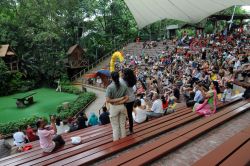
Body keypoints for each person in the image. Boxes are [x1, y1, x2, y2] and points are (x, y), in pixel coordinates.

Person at [106, 71, 129, 141]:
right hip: (122, 107)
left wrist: (117, 102)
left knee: (115, 127)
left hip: (114, 108)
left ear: (111, 78)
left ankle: (116, 144)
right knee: (122, 125)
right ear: (118, 77)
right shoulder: (124, 85)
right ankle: (123, 142)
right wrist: (120, 100)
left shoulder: (110, 87)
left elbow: (108, 100)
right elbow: (127, 98)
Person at [121, 68, 137, 134]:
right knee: (130, 115)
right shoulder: (133, 80)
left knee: (124, 115)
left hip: (126, 100)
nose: (122, 74)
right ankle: (131, 129)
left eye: (123, 73)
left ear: (126, 74)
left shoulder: (122, 81)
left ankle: (123, 130)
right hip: (132, 99)